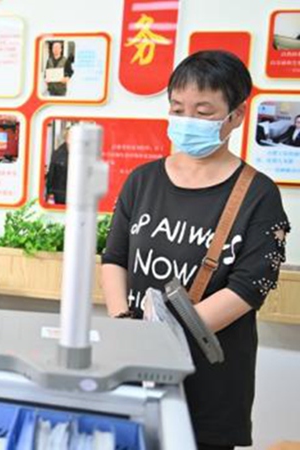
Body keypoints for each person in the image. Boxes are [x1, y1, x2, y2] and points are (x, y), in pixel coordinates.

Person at [101, 51, 290, 450]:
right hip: (135, 365)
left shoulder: (259, 195)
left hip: (211, 381)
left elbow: (247, 289)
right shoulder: (142, 180)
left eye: (203, 111)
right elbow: (114, 258)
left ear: (235, 116)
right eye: (177, 108)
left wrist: (165, 336)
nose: (186, 121)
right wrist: (125, 323)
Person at [45, 128, 69, 204]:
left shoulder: (82, 153)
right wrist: (49, 192)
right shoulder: (58, 153)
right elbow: (52, 173)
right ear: (67, 138)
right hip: (61, 193)